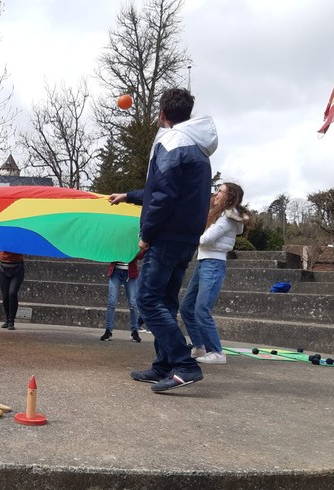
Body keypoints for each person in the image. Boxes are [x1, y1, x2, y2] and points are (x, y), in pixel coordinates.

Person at [109, 87, 217, 393]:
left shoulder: (171, 143)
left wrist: (147, 236)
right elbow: (168, 192)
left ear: (163, 114)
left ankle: (184, 364)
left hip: (166, 237)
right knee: (166, 302)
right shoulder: (195, 146)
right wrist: (129, 195)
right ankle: (164, 365)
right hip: (185, 238)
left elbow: (164, 196)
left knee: (147, 300)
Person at [180, 182, 251, 364]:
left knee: (201, 310)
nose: (216, 193)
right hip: (203, 263)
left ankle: (217, 352)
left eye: (220, 191)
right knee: (187, 307)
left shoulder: (227, 218)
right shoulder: (218, 215)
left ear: (230, 196)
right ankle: (200, 346)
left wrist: (192, 231)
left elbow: (205, 239)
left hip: (213, 264)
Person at [100, 251, 145, 342]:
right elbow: (108, 252)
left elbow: (141, 255)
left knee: (133, 304)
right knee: (111, 302)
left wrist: (132, 253)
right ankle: (108, 330)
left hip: (130, 273)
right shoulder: (115, 239)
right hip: (115, 272)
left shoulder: (134, 239)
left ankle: (135, 331)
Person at [0, 251, 24, 331]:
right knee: (5, 295)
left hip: (17, 266)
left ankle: (11, 320)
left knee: (12, 293)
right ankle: (7, 320)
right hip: (3, 266)